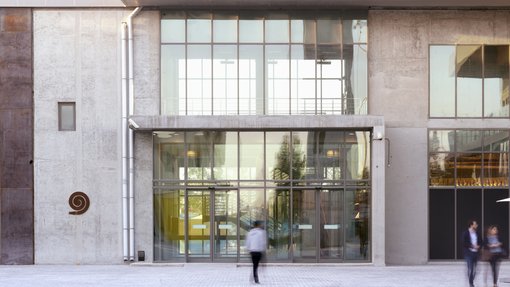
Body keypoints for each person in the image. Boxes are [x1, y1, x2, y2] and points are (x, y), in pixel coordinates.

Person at [463, 220, 482, 287]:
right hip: (469, 254)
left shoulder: (477, 233)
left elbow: (481, 242)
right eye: (475, 224)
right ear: (471, 225)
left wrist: (479, 246)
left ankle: (471, 280)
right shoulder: (466, 233)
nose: (476, 225)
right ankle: (471, 283)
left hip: (476, 253)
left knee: (475, 270)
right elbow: (464, 243)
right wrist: (472, 246)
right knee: (470, 268)